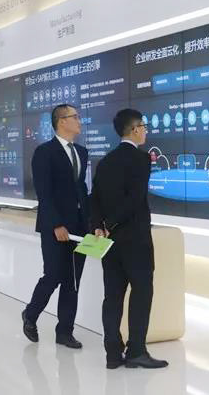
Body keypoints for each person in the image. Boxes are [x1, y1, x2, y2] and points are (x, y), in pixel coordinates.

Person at [89, 108, 168, 370]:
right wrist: (110, 223)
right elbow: (134, 199)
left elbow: (94, 199)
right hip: (135, 239)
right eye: (143, 127)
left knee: (112, 295)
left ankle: (113, 353)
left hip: (109, 241)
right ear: (134, 129)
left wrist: (99, 226)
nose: (145, 131)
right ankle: (136, 351)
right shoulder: (141, 159)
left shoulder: (106, 161)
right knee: (142, 291)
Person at [22, 104, 89, 349]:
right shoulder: (44, 152)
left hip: (80, 226)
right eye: (75, 117)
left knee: (73, 280)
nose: (80, 121)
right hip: (55, 227)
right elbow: (44, 193)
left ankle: (65, 331)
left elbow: (81, 189)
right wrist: (56, 224)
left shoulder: (81, 152)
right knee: (54, 275)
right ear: (61, 121)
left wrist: (92, 222)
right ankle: (30, 314)